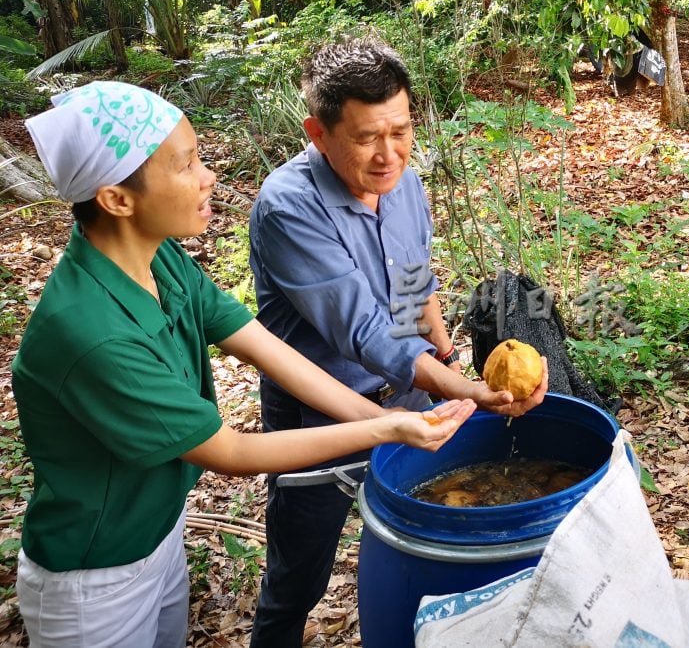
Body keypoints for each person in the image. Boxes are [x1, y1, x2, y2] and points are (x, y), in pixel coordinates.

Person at [13, 80, 477, 647]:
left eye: (401, 131)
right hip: (97, 575)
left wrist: (396, 416)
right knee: (298, 571)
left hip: (159, 532)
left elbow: (262, 344)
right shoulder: (93, 334)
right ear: (116, 198)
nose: (208, 178)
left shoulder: (162, 265)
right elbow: (230, 450)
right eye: (186, 166)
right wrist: (391, 425)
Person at [247, 37, 548, 646]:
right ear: (318, 133)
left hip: (410, 392)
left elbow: (413, 281)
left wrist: (445, 356)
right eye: (366, 139)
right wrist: (459, 386)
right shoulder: (288, 208)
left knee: (427, 530)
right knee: (299, 575)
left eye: (401, 132)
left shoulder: (403, 185)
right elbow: (363, 330)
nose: (389, 155)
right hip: (319, 416)